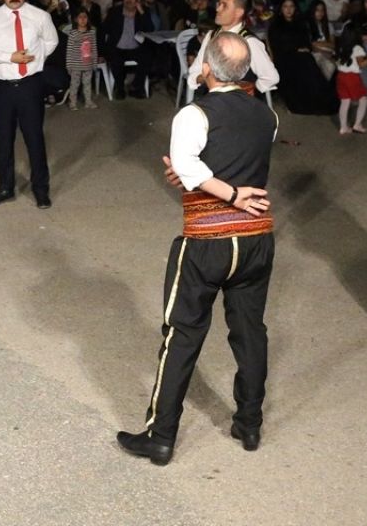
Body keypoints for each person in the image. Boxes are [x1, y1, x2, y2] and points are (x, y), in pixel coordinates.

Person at [117, 32, 277, 465]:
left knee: (182, 334)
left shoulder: (194, 113)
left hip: (209, 242)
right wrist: (193, 178)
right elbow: (204, 164)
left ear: (206, 68)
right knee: (250, 332)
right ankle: (249, 423)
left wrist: (225, 192)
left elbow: (191, 164)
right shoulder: (267, 115)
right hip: (257, 240)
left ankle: (161, 435)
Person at [0, 0, 58, 209]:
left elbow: (51, 42)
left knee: (34, 138)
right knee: (4, 139)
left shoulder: (40, 16)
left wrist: (34, 60)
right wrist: (10, 58)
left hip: (30, 85)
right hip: (1, 87)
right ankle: (5, 187)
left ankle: (41, 190)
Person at [185, 0, 280, 99]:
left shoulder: (249, 41)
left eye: (224, 6)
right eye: (218, 4)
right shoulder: (211, 35)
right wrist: (207, 79)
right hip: (214, 99)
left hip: (240, 104)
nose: (217, 9)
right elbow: (195, 71)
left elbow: (271, 77)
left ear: (238, 12)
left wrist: (249, 92)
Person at [99, 0, 155, 99]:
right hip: (118, 47)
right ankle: (120, 88)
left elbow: (150, 29)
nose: (129, 0)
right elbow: (102, 31)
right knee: (115, 60)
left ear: (138, 0)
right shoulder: (115, 12)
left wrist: (141, 12)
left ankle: (136, 87)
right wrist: (101, 52)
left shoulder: (143, 11)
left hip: (136, 47)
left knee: (148, 56)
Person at [63, 9, 98, 109]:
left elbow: (94, 48)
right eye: (80, 17)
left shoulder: (92, 32)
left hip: (88, 64)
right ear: (75, 19)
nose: (83, 20)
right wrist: (68, 65)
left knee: (87, 84)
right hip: (75, 65)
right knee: (74, 84)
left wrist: (94, 63)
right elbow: (69, 50)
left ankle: (88, 101)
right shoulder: (73, 33)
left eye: (85, 17)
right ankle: (72, 102)